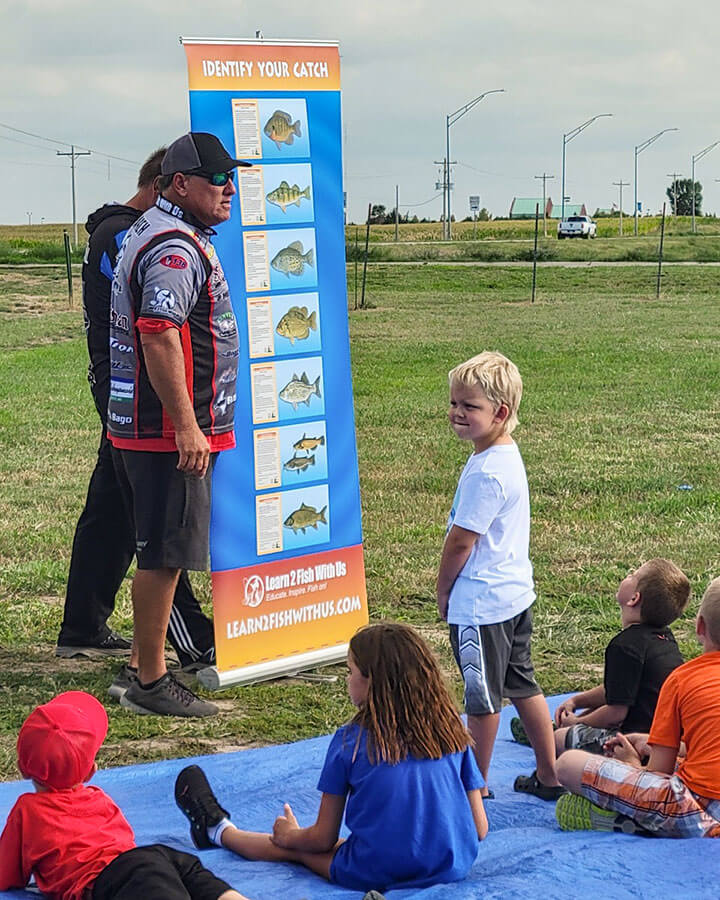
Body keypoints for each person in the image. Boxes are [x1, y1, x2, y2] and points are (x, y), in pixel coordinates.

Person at [56, 147, 216, 683]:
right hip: (140, 394)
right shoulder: (134, 235)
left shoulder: (116, 232)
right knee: (160, 525)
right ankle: (187, 641)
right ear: (163, 186)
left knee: (113, 509)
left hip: (124, 388)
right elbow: (157, 325)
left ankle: (84, 625)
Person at [174, 623, 488, 893]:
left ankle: (218, 830)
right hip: (451, 865)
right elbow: (480, 828)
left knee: (292, 849)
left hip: (374, 871)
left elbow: (323, 839)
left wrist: (292, 836)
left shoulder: (350, 742)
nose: (347, 681)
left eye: (350, 672)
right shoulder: (451, 732)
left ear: (371, 683)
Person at [107, 133, 249, 717]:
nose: (230, 189)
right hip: (165, 432)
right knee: (164, 555)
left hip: (146, 425)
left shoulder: (164, 230)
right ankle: (149, 681)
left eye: (231, 178)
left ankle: (141, 664)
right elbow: (159, 332)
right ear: (179, 184)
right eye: (218, 180)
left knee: (159, 551)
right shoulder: (174, 246)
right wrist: (187, 426)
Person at [437, 351, 563, 800]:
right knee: (524, 685)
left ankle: (475, 790)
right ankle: (550, 775)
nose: (456, 413)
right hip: (514, 596)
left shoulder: (486, 472)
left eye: (469, 407)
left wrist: (443, 589)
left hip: (481, 606)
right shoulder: (504, 453)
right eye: (454, 403)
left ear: (501, 413)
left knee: (482, 700)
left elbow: (460, 542)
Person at [0, 690, 249, 900]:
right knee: (197, 878)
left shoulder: (27, 809)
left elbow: (6, 876)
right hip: (152, 857)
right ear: (91, 773)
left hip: (112, 881)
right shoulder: (98, 798)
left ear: (22, 769)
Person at [555, 577, 720, 837]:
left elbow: (656, 773)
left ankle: (635, 822)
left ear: (699, 626)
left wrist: (632, 762)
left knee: (567, 764)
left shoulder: (681, 679)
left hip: (692, 810)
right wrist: (656, 742)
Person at [510, 558, 689, 756]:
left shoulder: (625, 646)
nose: (628, 574)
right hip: (665, 741)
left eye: (633, 574)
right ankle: (550, 731)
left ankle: (548, 736)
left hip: (633, 743)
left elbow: (615, 713)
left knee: (558, 740)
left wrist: (577, 722)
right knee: (589, 717)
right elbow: (619, 688)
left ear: (634, 598)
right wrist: (578, 701)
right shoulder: (664, 638)